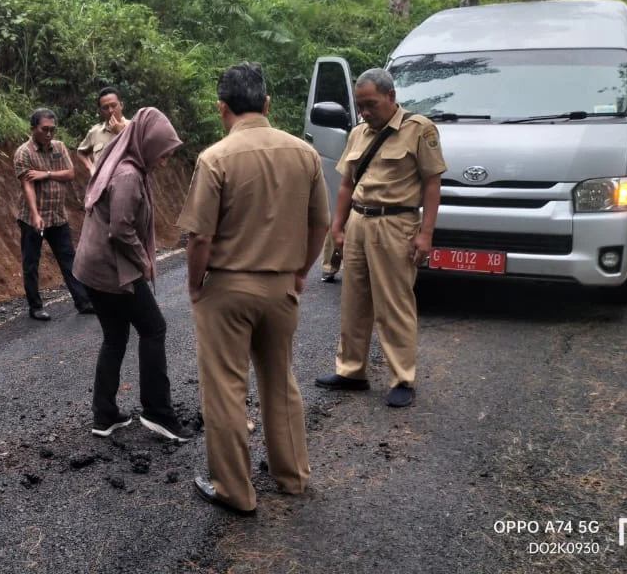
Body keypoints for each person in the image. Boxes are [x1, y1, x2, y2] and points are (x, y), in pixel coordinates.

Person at [179, 63, 330, 514]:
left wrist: (194, 284)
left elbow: (200, 237)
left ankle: (235, 490)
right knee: (279, 380)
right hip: (281, 288)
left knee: (225, 388)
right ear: (267, 104)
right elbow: (320, 221)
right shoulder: (304, 153)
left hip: (228, 288)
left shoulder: (215, 158)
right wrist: (301, 271)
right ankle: (293, 476)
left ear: (221, 108)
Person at [314, 68, 445, 408]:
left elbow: (432, 183)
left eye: (371, 104)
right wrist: (338, 227)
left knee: (394, 303)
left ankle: (402, 377)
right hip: (359, 220)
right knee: (353, 301)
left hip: (395, 223)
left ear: (391, 97)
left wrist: (426, 233)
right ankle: (351, 371)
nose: (365, 112)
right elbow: (346, 184)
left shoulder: (419, 130)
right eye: (360, 106)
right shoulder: (358, 133)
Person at [73, 107, 193, 442]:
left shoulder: (126, 162)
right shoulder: (128, 174)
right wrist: (145, 261)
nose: (164, 161)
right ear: (148, 145)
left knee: (115, 337)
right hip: (111, 269)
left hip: (93, 267)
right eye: (163, 153)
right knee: (154, 329)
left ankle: (105, 415)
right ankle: (158, 412)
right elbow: (121, 230)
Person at [14, 108, 95, 321]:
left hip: (58, 216)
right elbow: (27, 185)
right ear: (33, 129)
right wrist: (35, 215)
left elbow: (70, 174)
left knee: (69, 259)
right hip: (32, 218)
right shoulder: (24, 153)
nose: (49, 134)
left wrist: (46, 174)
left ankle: (83, 301)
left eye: (52, 130)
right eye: (44, 130)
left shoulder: (59, 147)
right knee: (31, 263)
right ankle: (35, 307)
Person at [76, 87, 131, 173]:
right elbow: (80, 152)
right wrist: (91, 169)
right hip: (102, 184)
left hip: (128, 182)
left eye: (114, 105)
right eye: (105, 108)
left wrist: (122, 132)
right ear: (100, 111)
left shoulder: (134, 126)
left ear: (121, 105)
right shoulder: (95, 132)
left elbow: (143, 153)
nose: (110, 110)